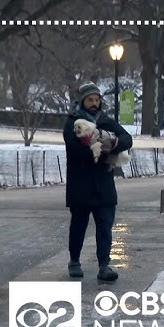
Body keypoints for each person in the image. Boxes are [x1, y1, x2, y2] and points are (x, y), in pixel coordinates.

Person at [63, 82, 133, 281]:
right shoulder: (73, 122)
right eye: (90, 100)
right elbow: (74, 149)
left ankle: (104, 265)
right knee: (78, 226)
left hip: (103, 185)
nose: (94, 103)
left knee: (105, 226)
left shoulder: (105, 121)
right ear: (83, 101)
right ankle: (74, 261)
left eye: (97, 100)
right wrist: (98, 150)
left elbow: (127, 138)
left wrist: (112, 145)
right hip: (80, 184)